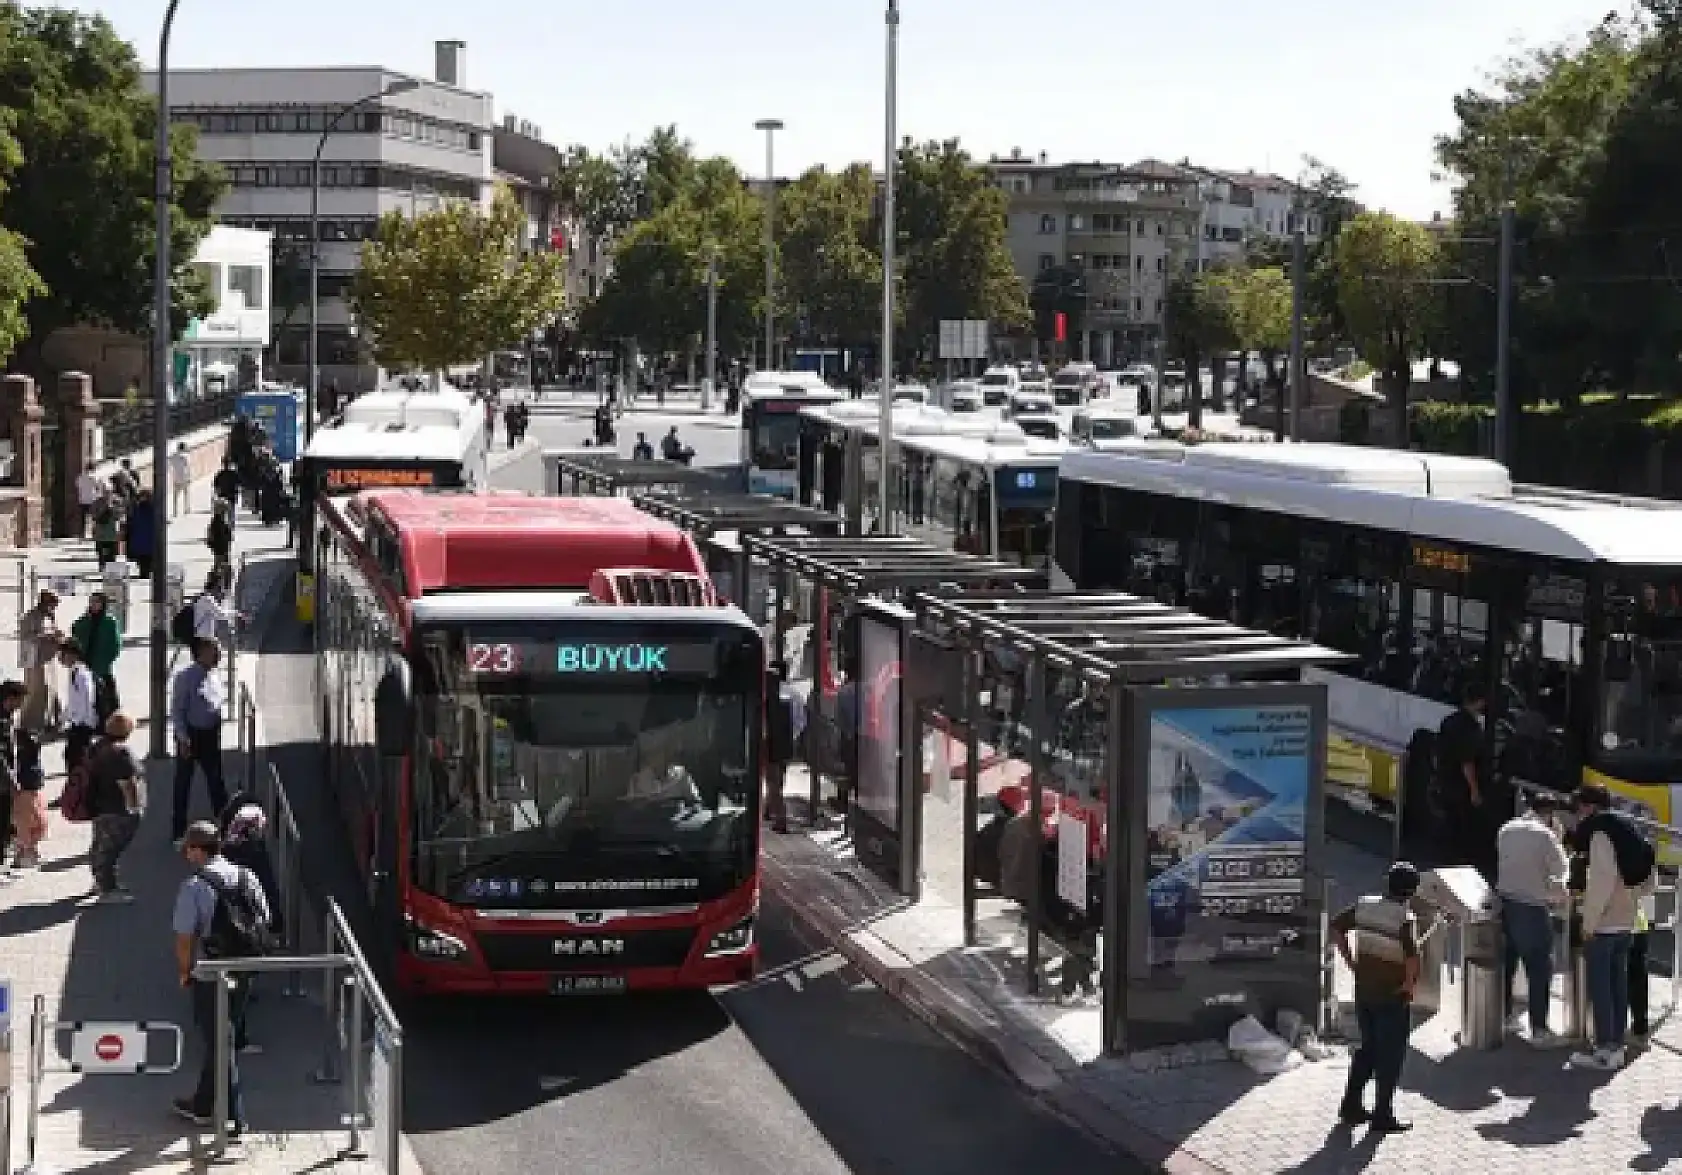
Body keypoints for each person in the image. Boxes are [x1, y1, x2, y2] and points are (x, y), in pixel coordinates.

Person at [172, 821, 270, 1133]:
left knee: (220, 1041)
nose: (186, 854)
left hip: (210, 971)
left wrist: (185, 972)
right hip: (245, 967)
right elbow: (264, 917)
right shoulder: (247, 876)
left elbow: (185, 937)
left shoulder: (194, 886)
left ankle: (235, 1118)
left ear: (199, 850)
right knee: (222, 1038)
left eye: (188, 848)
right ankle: (202, 1105)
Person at [1331, 861, 1421, 1134]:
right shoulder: (1405, 919)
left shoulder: (1364, 905)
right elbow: (1413, 960)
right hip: (1391, 996)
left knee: (1368, 1049)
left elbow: (1336, 929)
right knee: (1390, 1057)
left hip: (1364, 992)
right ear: (1411, 891)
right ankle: (1382, 1114)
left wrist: (1350, 962)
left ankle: (1351, 1106)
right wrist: (1408, 986)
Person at [1569, 784, 1654, 1070]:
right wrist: (1631, 900)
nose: (1577, 814)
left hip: (1604, 925)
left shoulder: (1601, 834)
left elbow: (1601, 883)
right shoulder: (1629, 827)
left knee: (1601, 988)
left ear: (1590, 807)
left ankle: (1606, 1049)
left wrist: (1589, 923)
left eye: (1579, 807)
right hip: (1627, 922)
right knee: (1618, 984)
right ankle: (1617, 1043)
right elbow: (1649, 876)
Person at [1496, 794, 1569, 1045]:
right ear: (1550, 814)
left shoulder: (1506, 829)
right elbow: (1560, 875)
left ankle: (1504, 1016)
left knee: (1507, 963)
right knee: (1539, 969)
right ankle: (1539, 1029)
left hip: (1504, 904)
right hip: (1531, 908)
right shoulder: (1546, 836)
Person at [170, 640, 229, 846]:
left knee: (216, 781)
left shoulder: (213, 674)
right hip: (191, 737)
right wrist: (183, 738)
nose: (218, 655)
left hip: (211, 735)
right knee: (183, 784)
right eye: (214, 652)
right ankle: (178, 832)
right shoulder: (185, 678)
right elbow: (177, 711)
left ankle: (226, 826)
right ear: (201, 653)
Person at [1435, 681, 1491, 877]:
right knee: (1462, 825)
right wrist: (1474, 790)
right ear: (1479, 702)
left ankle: (1446, 860)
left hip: (1445, 780)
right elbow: (1467, 763)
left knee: (1450, 821)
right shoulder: (1469, 727)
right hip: (1460, 786)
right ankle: (1457, 866)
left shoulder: (1449, 720)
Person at [86, 711, 143, 902]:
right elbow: (127, 783)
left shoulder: (98, 747)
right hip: (117, 808)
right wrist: (134, 808)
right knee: (112, 848)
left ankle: (101, 881)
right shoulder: (121, 753)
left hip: (100, 804)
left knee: (101, 846)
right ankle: (107, 888)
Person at [763, 661, 802, 833]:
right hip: (783, 747)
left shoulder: (767, 702)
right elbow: (798, 722)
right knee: (776, 781)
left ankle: (779, 817)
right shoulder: (786, 700)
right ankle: (769, 808)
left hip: (771, 747)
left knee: (773, 783)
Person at [72, 592, 122, 717]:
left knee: (106, 696)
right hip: (85, 662)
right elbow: (75, 630)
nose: (93, 605)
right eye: (91, 602)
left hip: (102, 665)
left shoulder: (109, 621)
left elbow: (115, 644)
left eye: (96, 602)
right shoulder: (84, 620)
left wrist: (107, 660)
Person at [17, 588, 61, 732]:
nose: (53, 608)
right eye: (52, 604)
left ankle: (46, 720)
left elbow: (53, 631)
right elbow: (26, 637)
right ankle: (29, 722)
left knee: (50, 690)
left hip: (48, 659)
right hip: (35, 660)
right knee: (35, 691)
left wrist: (57, 636)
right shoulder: (30, 617)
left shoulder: (50, 616)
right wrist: (44, 636)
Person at [57, 639, 99, 779]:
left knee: (77, 759)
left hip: (82, 725)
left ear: (72, 655)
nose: (60, 658)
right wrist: (63, 718)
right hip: (77, 724)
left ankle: (78, 790)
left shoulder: (82, 674)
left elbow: (87, 700)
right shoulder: (74, 672)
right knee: (71, 757)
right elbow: (73, 701)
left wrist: (79, 721)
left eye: (63, 654)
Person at [9, 727, 43, 870]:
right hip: (31, 787)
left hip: (24, 788)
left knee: (23, 821)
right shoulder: (32, 755)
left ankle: (26, 853)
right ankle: (28, 851)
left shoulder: (23, 755)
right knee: (32, 818)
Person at [0, 679, 23, 874]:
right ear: (9, 699)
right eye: (19, 700)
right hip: (1, 782)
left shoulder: (7, 716)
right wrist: (11, 779)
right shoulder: (2, 721)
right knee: (2, 821)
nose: (21, 705)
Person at [125, 488, 157, 580]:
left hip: (140, 540)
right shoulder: (153, 508)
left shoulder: (137, 509)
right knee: (147, 557)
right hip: (148, 540)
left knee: (143, 558)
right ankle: (147, 571)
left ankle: (144, 572)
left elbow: (131, 521)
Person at [91, 492, 123, 570]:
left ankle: (104, 570)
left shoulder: (96, 503)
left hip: (101, 535)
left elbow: (93, 516)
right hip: (111, 535)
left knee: (102, 556)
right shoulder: (115, 503)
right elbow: (119, 516)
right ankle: (109, 573)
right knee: (110, 557)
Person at [207, 500, 233, 578]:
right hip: (220, 545)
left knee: (220, 563)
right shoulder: (218, 521)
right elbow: (215, 534)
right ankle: (218, 578)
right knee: (221, 562)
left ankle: (219, 578)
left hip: (221, 545)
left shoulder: (219, 521)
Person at [75, 466, 104, 538]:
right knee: (93, 518)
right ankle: (92, 533)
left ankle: (82, 534)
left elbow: (77, 486)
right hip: (91, 500)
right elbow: (98, 488)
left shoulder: (80, 477)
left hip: (82, 500)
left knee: (82, 518)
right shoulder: (93, 478)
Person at [170, 442, 192, 517]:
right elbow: (188, 467)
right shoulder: (186, 456)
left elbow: (171, 465)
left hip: (176, 478)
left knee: (175, 496)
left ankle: (175, 511)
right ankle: (186, 508)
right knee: (186, 493)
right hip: (185, 478)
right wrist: (189, 477)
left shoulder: (173, 456)